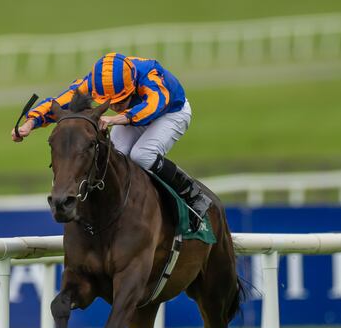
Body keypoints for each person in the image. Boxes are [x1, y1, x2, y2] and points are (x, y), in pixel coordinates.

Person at [11, 52, 211, 228]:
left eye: (120, 101)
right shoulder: (93, 83)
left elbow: (154, 106)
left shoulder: (149, 76)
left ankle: (192, 194)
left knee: (142, 155)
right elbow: (58, 103)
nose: (115, 106)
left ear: (132, 85)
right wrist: (30, 123)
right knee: (117, 157)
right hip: (134, 116)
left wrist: (116, 118)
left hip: (170, 113)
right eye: (110, 103)